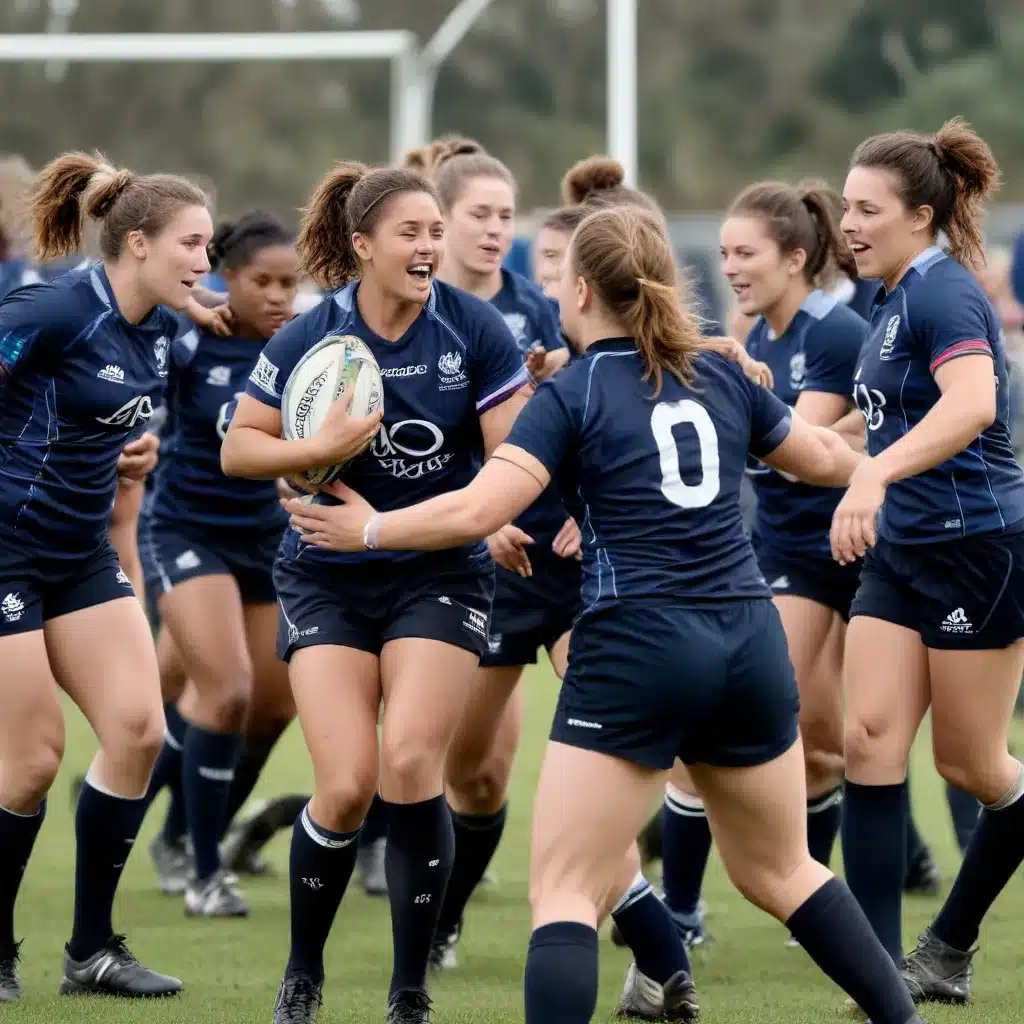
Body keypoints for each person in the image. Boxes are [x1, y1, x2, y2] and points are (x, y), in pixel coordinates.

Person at [283, 203, 928, 1024]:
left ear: (582, 291)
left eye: (560, 276)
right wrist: (898, 456)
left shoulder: (575, 391)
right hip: (749, 638)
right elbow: (828, 457)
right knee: (783, 871)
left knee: (564, 890)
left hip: (639, 642)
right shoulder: (720, 374)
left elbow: (480, 509)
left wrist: (368, 529)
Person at [220, 160, 533, 1024]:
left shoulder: (475, 330)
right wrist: (316, 450)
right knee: (348, 785)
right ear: (362, 246)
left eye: (436, 232)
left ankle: (409, 991)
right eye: (411, 233)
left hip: (440, 571)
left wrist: (459, 517)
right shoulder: (311, 336)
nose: (429, 246)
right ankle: (302, 975)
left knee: (410, 765)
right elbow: (240, 449)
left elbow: (511, 460)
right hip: (325, 573)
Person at [0, 151, 214, 1000]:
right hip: (6, 553)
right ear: (137, 244)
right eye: (192, 243)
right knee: (31, 762)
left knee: (137, 732)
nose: (204, 260)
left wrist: (130, 452)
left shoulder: (160, 326)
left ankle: (91, 951)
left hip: (79, 552)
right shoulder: (55, 309)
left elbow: (90, 416)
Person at [834, 118, 1024, 1007]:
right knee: (867, 741)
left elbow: (973, 402)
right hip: (901, 553)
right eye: (846, 207)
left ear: (921, 216)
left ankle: (949, 944)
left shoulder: (944, 291)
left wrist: (873, 472)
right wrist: (753, 423)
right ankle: (879, 973)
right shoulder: (890, 299)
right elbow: (864, 427)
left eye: (868, 209)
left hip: (977, 551)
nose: (849, 224)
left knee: (971, 768)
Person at [398, 138, 581, 972]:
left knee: (603, 734)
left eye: (507, 216)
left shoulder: (540, 311)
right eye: (479, 214)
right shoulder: (408, 313)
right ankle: (435, 904)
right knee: (469, 773)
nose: (495, 230)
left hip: (557, 555)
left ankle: (649, 920)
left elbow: (593, 411)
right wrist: (477, 518)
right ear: (439, 220)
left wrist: (585, 512)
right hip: (475, 562)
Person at [137, 212, 299, 917]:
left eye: (289, 283)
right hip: (186, 530)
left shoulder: (306, 347)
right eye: (262, 281)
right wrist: (190, 302)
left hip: (266, 539)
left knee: (271, 707)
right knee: (226, 690)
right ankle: (206, 874)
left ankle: (175, 831)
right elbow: (127, 305)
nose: (278, 297)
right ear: (226, 277)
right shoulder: (188, 339)